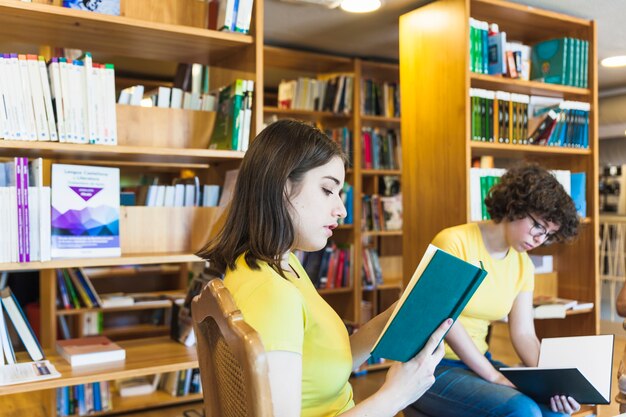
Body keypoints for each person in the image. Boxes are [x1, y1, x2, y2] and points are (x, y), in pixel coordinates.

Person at [197, 119, 452, 417]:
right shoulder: (273, 295)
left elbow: (323, 362)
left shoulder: (279, 264)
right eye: (328, 190)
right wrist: (395, 396)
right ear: (281, 185)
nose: (342, 209)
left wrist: (395, 317)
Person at [407, 163, 581, 417]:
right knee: (523, 410)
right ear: (515, 206)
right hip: (430, 365)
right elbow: (446, 320)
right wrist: (493, 376)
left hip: (477, 363)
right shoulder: (454, 242)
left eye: (548, 234)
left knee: (555, 412)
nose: (539, 239)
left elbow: (524, 335)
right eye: (538, 227)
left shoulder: (522, 264)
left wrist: (555, 385)